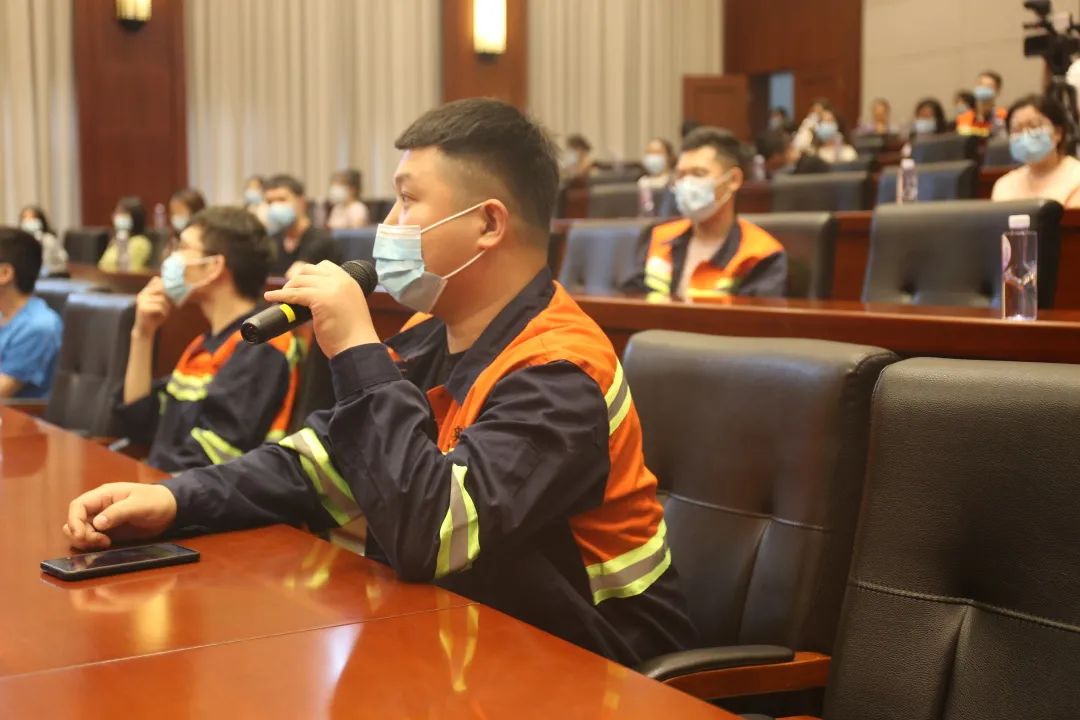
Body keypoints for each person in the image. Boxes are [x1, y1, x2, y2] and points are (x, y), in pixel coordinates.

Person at [62, 98, 697, 667]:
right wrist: (176, 500)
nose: (387, 224)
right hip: (471, 644)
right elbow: (321, 464)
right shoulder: (431, 332)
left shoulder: (560, 370)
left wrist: (354, 345)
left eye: (407, 200)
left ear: (488, 224)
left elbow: (433, 534)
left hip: (598, 671)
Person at [114, 206, 301, 472]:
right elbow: (139, 424)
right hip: (167, 486)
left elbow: (209, 462)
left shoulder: (263, 344)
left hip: (194, 494)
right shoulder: (204, 344)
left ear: (214, 266)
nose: (171, 258)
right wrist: (142, 335)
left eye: (183, 247)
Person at [625, 126, 788, 301]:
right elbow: (629, 304)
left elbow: (755, 316)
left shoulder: (761, 254)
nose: (686, 183)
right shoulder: (656, 236)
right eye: (681, 175)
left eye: (698, 174)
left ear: (733, 180)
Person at [0, 227, 62, 398]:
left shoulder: (38, 327)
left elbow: (2, 391)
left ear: (5, 273)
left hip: (21, 414)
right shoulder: (4, 315)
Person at [992, 94, 1080, 208]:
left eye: (1034, 126)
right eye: (1017, 129)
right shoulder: (1004, 185)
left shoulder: (1076, 177)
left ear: (1058, 133)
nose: (1025, 135)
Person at [263, 174, 342, 278]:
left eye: (282, 199)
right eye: (270, 202)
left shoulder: (322, 240)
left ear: (301, 202)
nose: (275, 207)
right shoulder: (271, 241)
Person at [98, 196, 153, 272]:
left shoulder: (140, 242)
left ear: (134, 217)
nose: (115, 216)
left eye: (121, 213)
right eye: (116, 212)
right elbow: (102, 265)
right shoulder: (115, 240)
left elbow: (128, 271)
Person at [18, 205, 68, 277]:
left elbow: (63, 260)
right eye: (25, 218)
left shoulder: (49, 239)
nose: (28, 221)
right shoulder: (18, 241)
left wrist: (49, 270)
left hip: (50, 276)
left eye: (32, 218)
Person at [956, 71, 1007, 137]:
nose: (983, 88)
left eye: (989, 86)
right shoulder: (963, 117)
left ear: (998, 91)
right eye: (980, 84)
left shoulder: (1003, 116)